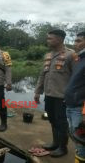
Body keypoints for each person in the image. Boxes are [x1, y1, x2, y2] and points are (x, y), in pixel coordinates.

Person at [34, 29, 77, 157]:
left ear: (59, 39)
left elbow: (77, 77)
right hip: (49, 95)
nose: (47, 40)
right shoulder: (48, 55)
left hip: (62, 96)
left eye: (50, 38)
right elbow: (43, 75)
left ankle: (62, 148)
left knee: (61, 122)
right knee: (52, 119)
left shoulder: (71, 55)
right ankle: (55, 143)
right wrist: (37, 91)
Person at [65, 32, 85, 163]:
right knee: (76, 137)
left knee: (81, 140)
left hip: (79, 107)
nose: (75, 43)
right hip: (71, 104)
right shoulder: (79, 58)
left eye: (78, 41)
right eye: (75, 41)